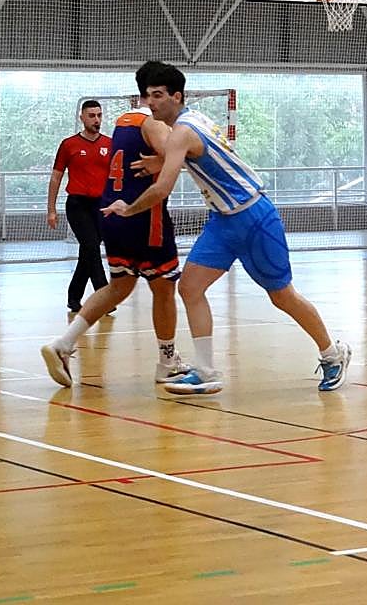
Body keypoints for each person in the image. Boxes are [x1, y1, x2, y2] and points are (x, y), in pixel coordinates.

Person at [102, 62, 350, 396]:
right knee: (189, 288)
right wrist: (162, 160)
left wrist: (128, 208)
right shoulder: (193, 121)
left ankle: (333, 354)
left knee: (282, 296)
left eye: (158, 95)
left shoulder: (181, 132)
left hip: (253, 217)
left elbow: (162, 189)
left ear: (177, 96)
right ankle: (205, 372)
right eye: (147, 96)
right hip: (222, 222)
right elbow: (201, 155)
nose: (152, 103)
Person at [41, 64, 191, 388]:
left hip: (113, 215)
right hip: (143, 218)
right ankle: (168, 361)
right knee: (164, 287)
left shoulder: (124, 121)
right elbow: (177, 156)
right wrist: (164, 159)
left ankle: (63, 344)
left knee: (119, 287)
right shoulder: (155, 125)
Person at [47, 99, 113, 313]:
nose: (97, 120)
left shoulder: (109, 144)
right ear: (82, 117)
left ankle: (74, 298)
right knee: (92, 246)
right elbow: (56, 177)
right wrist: (51, 209)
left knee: (88, 251)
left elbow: (116, 177)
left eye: (99, 115)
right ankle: (104, 297)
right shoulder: (69, 145)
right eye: (92, 116)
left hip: (101, 205)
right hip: (77, 204)